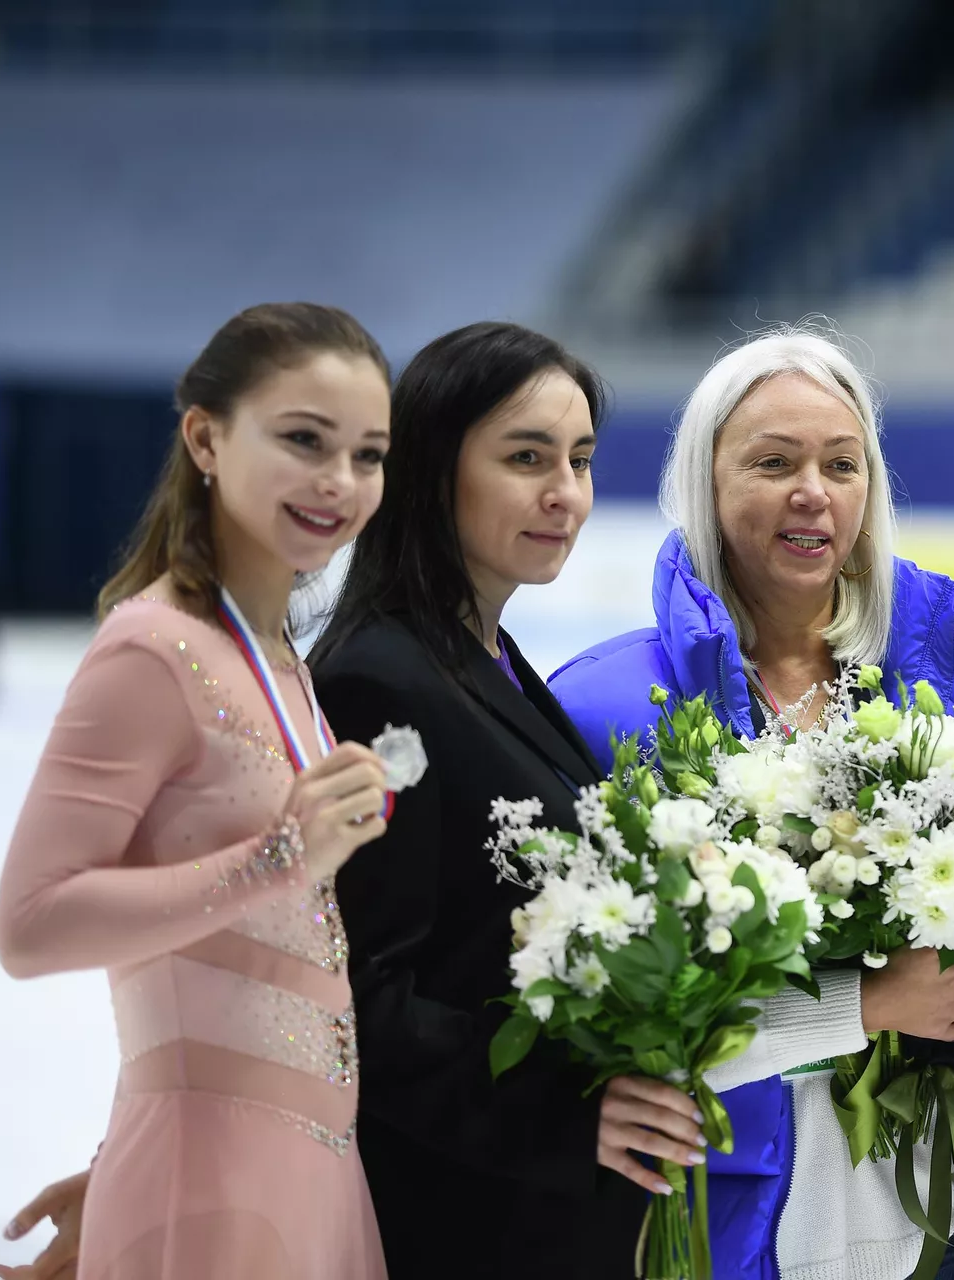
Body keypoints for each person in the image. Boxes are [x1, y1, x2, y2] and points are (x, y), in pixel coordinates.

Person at [549, 327, 954, 1280]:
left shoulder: (946, 694)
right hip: (706, 1225)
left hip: (929, 1224)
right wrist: (862, 1004)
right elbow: (596, 1024)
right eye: (773, 463)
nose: (812, 491)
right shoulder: (601, 709)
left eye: (841, 464)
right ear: (706, 482)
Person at [0, 303, 395, 1279]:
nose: (340, 481)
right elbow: (30, 924)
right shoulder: (153, 648)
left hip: (312, 1174)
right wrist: (276, 859)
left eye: (369, 453)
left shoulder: (278, 656)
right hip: (212, 1179)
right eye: (304, 439)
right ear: (205, 436)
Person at [307, 323, 698, 1277]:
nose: (565, 492)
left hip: (540, 1217)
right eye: (527, 458)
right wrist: (566, 1111)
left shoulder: (490, 659)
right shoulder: (380, 683)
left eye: (581, 459)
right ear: (433, 467)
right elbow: (359, 998)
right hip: (457, 1221)